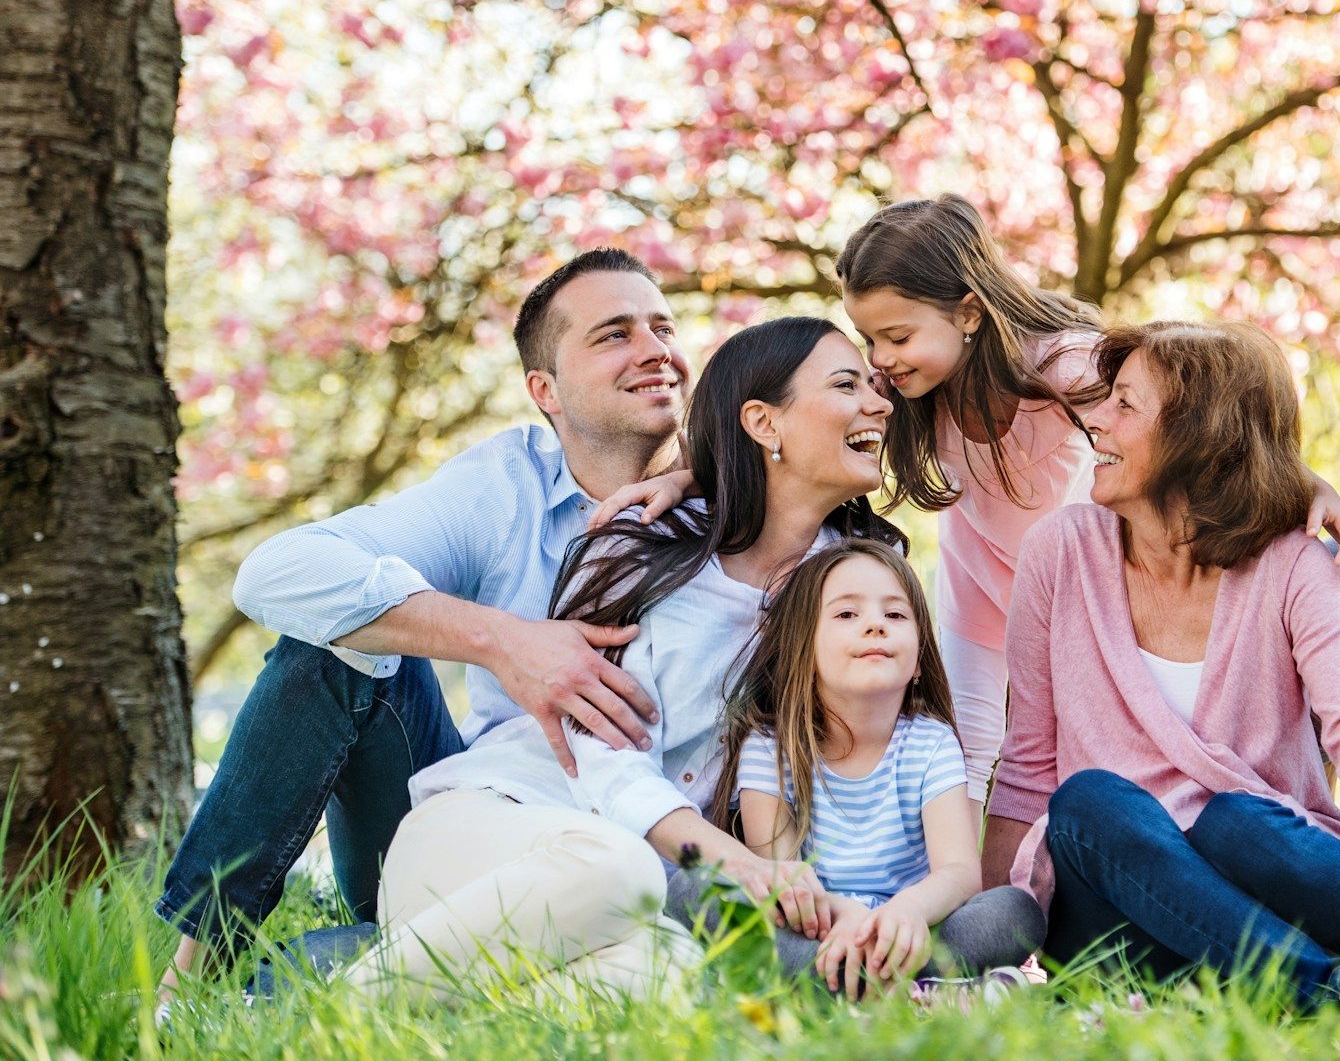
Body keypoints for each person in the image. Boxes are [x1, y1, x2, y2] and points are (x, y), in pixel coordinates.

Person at [602, 194, 1340, 807]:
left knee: (1074, 747)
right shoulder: (914, 388)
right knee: (965, 742)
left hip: (1076, 590)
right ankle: (968, 901)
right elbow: (790, 430)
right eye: (869, 342)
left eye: (896, 335)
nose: (881, 361)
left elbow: (1201, 428)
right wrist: (689, 475)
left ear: (968, 312)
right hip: (982, 584)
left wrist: (1302, 481)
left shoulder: (1067, 371)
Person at [157, 249, 687, 1000]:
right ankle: (189, 984)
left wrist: (705, 467)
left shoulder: (744, 479)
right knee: (332, 644)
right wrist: (507, 641)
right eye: (614, 335)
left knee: (645, 968)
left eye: (662, 327)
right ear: (547, 391)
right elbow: (276, 571)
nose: (656, 350)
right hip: (482, 821)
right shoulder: (507, 485)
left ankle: (334, 975)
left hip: (646, 843)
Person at [343, 316, 903, 997]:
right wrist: (737, 863)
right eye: (849, 385)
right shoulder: (641, 545)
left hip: (626, 904)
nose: (879, 403)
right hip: (496, 838)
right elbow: (602, 758)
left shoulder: (864, 582)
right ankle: (343, 1005)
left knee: (675, 975)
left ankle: (370, 996)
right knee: (624, 869)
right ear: (763, 422)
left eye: (876, 387)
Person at [983, 322, 1340, 1012]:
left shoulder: (1293, 568)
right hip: (1109, 911)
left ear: (1201, 436)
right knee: (1091, 803)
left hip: (1261, 887)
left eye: (1125, 405)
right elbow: (1026, 768)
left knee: (1238, 823)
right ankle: (1331, 996)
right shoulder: (1060, 553)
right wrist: (989, 940)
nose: (1095, 420)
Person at [671, 539, 1046, 998]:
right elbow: (783, 880)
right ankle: (918, 991)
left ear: (918, 658)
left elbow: (960, 872)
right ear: (804, 651)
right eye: (847, 615)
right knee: (692, 887)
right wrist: (847, 918)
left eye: (895, 615)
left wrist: (903, 914)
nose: (874, 625)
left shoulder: (931, 743)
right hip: (815, 930)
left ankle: (846, 989)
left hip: (915, 931)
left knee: (1013, 910)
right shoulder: (770, 749)